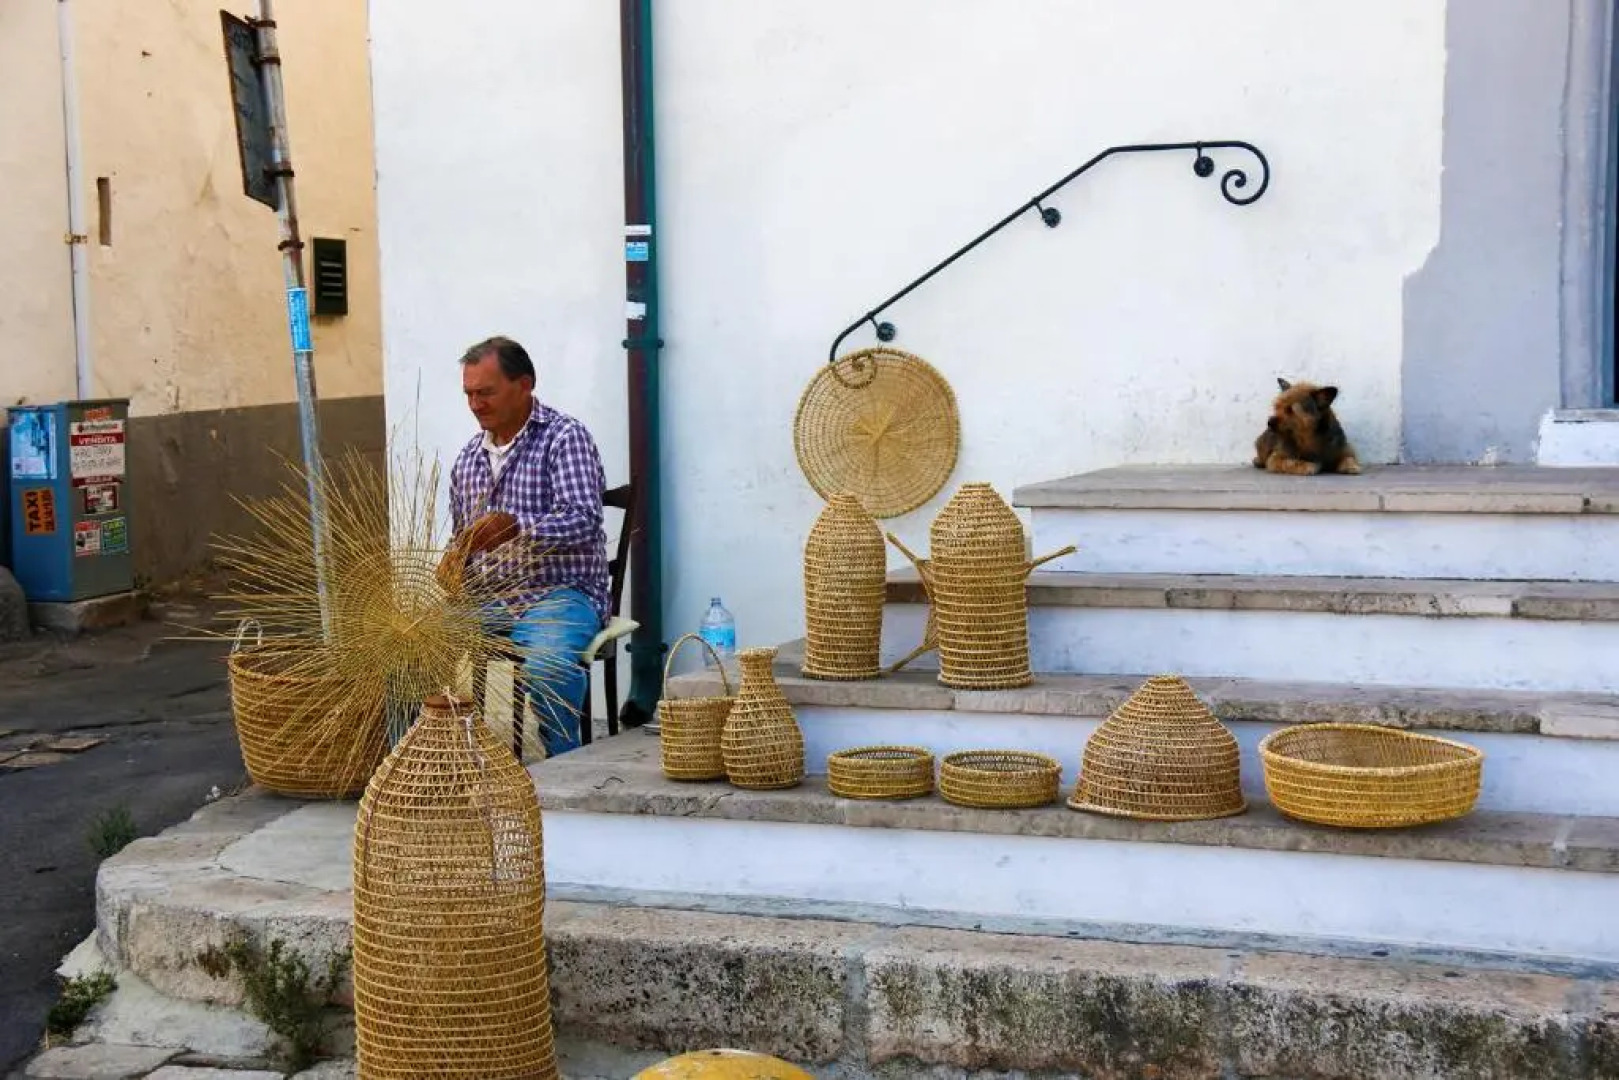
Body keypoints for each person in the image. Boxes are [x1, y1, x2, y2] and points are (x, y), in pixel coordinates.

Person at [441, 335, 609, 757]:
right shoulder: (468, 458)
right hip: (488, 599)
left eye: (486, 392)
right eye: (469, 394)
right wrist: (455, 562)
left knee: (548, 666)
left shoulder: (564, 437)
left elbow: (584, 517)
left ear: (525, 385)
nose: (476, 404)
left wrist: (518, 530)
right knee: (405, 646)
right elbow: (464, 536)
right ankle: (423, 762)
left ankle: (565, 768)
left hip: (559, 594)